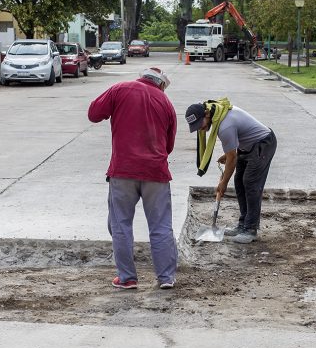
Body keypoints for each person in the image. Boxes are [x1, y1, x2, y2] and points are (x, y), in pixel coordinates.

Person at [88, 67, 178, 290]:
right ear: (161, 84)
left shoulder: (120, 89)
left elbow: (93, 114)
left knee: (120, 224)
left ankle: (127, 278)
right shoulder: (166, 103)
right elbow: (169, 146)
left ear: (143, 76)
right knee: (161, 226)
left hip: (123, 171)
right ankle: (166, 278)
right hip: (156, 173)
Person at [185, 99, 277, 243]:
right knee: (239, 182)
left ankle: (250, 229)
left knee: (250, 184)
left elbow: (232, 159)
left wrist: (223, 183)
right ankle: (243, 225)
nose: (199, 129)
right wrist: (228, 156)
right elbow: (232, 152)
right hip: (247, 147)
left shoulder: (224, 126)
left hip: (262, 144)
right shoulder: (219, 115)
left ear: (207, 114)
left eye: (199, 124)